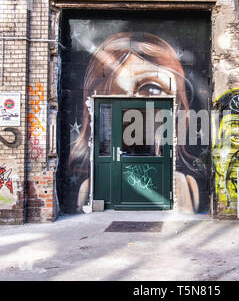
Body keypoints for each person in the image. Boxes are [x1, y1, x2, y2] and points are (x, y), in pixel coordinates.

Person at [67, 32, 201, 213]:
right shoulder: (89, 188)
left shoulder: (187, 186)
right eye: (113, 91)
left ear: (178, 109)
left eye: (151, 89)